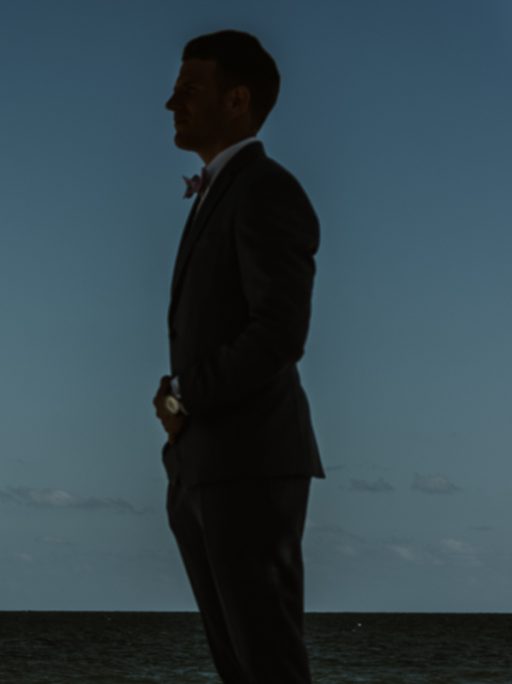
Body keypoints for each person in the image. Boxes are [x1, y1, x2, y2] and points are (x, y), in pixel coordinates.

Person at [154, 30, 325, 684]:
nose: (171, 102)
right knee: (241, 664)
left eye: (189, 88)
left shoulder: (266, 190)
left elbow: (279, 334)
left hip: (250, 467)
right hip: (207, 464)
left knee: (268, 661)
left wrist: (185, 394)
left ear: (238, 100)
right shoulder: (223, 192)